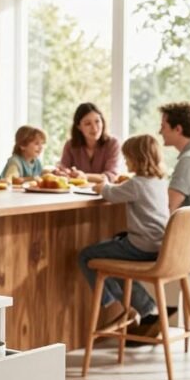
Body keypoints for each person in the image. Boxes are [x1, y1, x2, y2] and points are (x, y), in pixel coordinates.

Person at [78, 134, 169, 330]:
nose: (125, 162)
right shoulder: (160, 181)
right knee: (114, 261)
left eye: (127, 158)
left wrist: (102, 186)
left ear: (137, 159)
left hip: (141, 247)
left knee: (86, 255)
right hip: (160, 247)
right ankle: (146, 308)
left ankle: (112, 302)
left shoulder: (136, 184)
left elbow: (110, 193)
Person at [57, 102, 121, 183]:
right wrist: (62, 173)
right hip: (76, 191)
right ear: (79, 127)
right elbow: (64, 170)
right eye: (88, 124)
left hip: (104, 191)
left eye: (97, 121)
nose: (94, 128)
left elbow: (111, 176)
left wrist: (84, 176)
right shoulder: (70, 145)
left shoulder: (112, 144)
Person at [158, 101, 190, 211]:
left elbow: (169, 207)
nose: (160, 132)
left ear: (178, 129)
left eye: (163, 127)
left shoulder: (188, 160)